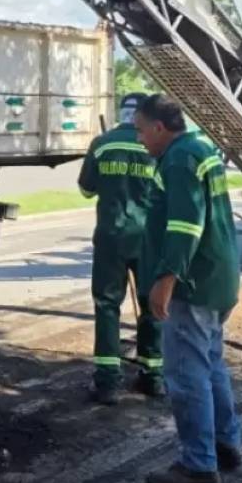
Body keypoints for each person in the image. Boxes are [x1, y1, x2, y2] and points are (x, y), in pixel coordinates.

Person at [134, 94, 242, 483]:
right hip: (218, 277)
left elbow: (185, 225)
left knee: (185, 374)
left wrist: (165, 280)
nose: (140, 139)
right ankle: (225, 442)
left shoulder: (179, 159)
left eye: (141, 130)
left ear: (160, 128)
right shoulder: (200, 149)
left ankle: (198, 463)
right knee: (211, 364)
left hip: (192, 284)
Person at [78, 93, 162, 405]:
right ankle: (154, 376)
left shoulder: (102, 143)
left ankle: (107, 382)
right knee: (152, 306)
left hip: (111, 237)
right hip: (147, 238)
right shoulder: (154, 145)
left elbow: (86, 189)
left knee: (107, 305)